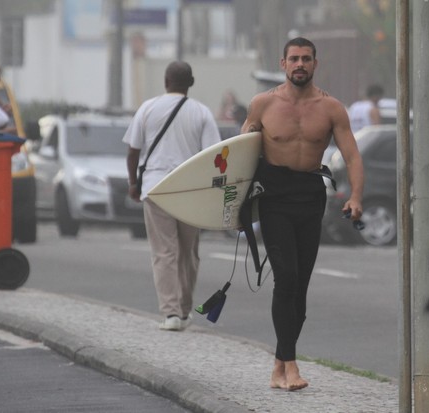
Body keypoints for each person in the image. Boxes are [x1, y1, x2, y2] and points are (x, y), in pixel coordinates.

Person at [241, 37, 364, 391]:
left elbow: (352, 156)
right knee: (287, 278)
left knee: (301, 288)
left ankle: (279, 367)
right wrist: (234, 203)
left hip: (310, 197)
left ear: (315, 63)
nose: (299, 64)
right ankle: (291, 367)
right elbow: (239, 152)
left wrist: (356, 196)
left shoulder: (331, 109)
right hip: (274, 197)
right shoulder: (262, 104)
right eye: (293, 58)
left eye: (305, 59)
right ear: (283, 64)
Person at [123, 61, 221, 331]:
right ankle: (185, 309)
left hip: (156, 188)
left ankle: (170, 314)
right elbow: (213, 156)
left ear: (166, 81)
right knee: (188, 252)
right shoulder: (201, 113)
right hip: (190, 190)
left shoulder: (148, 108)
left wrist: (133, 183)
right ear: (191, 83)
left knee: (164, 252)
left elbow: (133, 152)